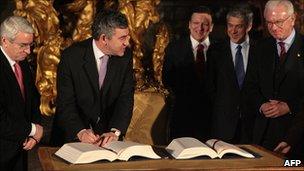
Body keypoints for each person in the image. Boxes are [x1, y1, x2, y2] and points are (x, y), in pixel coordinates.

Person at [51, 10, 135, 147]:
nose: (127, 43)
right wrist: (80, 132)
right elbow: (66, 103)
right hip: (72, 137)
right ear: (104, 39)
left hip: (106, 139)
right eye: (122, 38)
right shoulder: (71, 57)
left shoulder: (125, 56)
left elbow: (125, 98)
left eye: (127, 37)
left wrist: (115, 131)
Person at [246, 0, 304, 159]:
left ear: (293, 19)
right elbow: (250, 86)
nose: (273, 27)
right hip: (263, 137)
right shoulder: (260, 48)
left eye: (278, 22)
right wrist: (261, 104)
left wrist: (289, 107)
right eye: (269, 22)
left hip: (296, 137)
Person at [162, 6, 214, 141]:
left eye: (205, 24)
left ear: (211, 27)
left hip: (215, 121)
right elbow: (167, 80)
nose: (200, 28)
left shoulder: (221, 49)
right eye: (196, 23)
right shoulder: (174, 48)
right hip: (183, 120)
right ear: (189, 25)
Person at [206, 4, 256, 144]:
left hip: (252, 125)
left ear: (249, 26)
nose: (233, 31)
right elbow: (210, 87)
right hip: (223, 127)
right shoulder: (215, 51)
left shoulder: (260, 50)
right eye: (230, 25)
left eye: (238, 26)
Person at [0, 16, 43, 170]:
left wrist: (35, 131)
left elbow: (33, 99)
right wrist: (32, 130)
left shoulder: (22, 60)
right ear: (5, 41)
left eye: (30, 45)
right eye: (23, 45)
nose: (28, 51)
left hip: (20, 151)